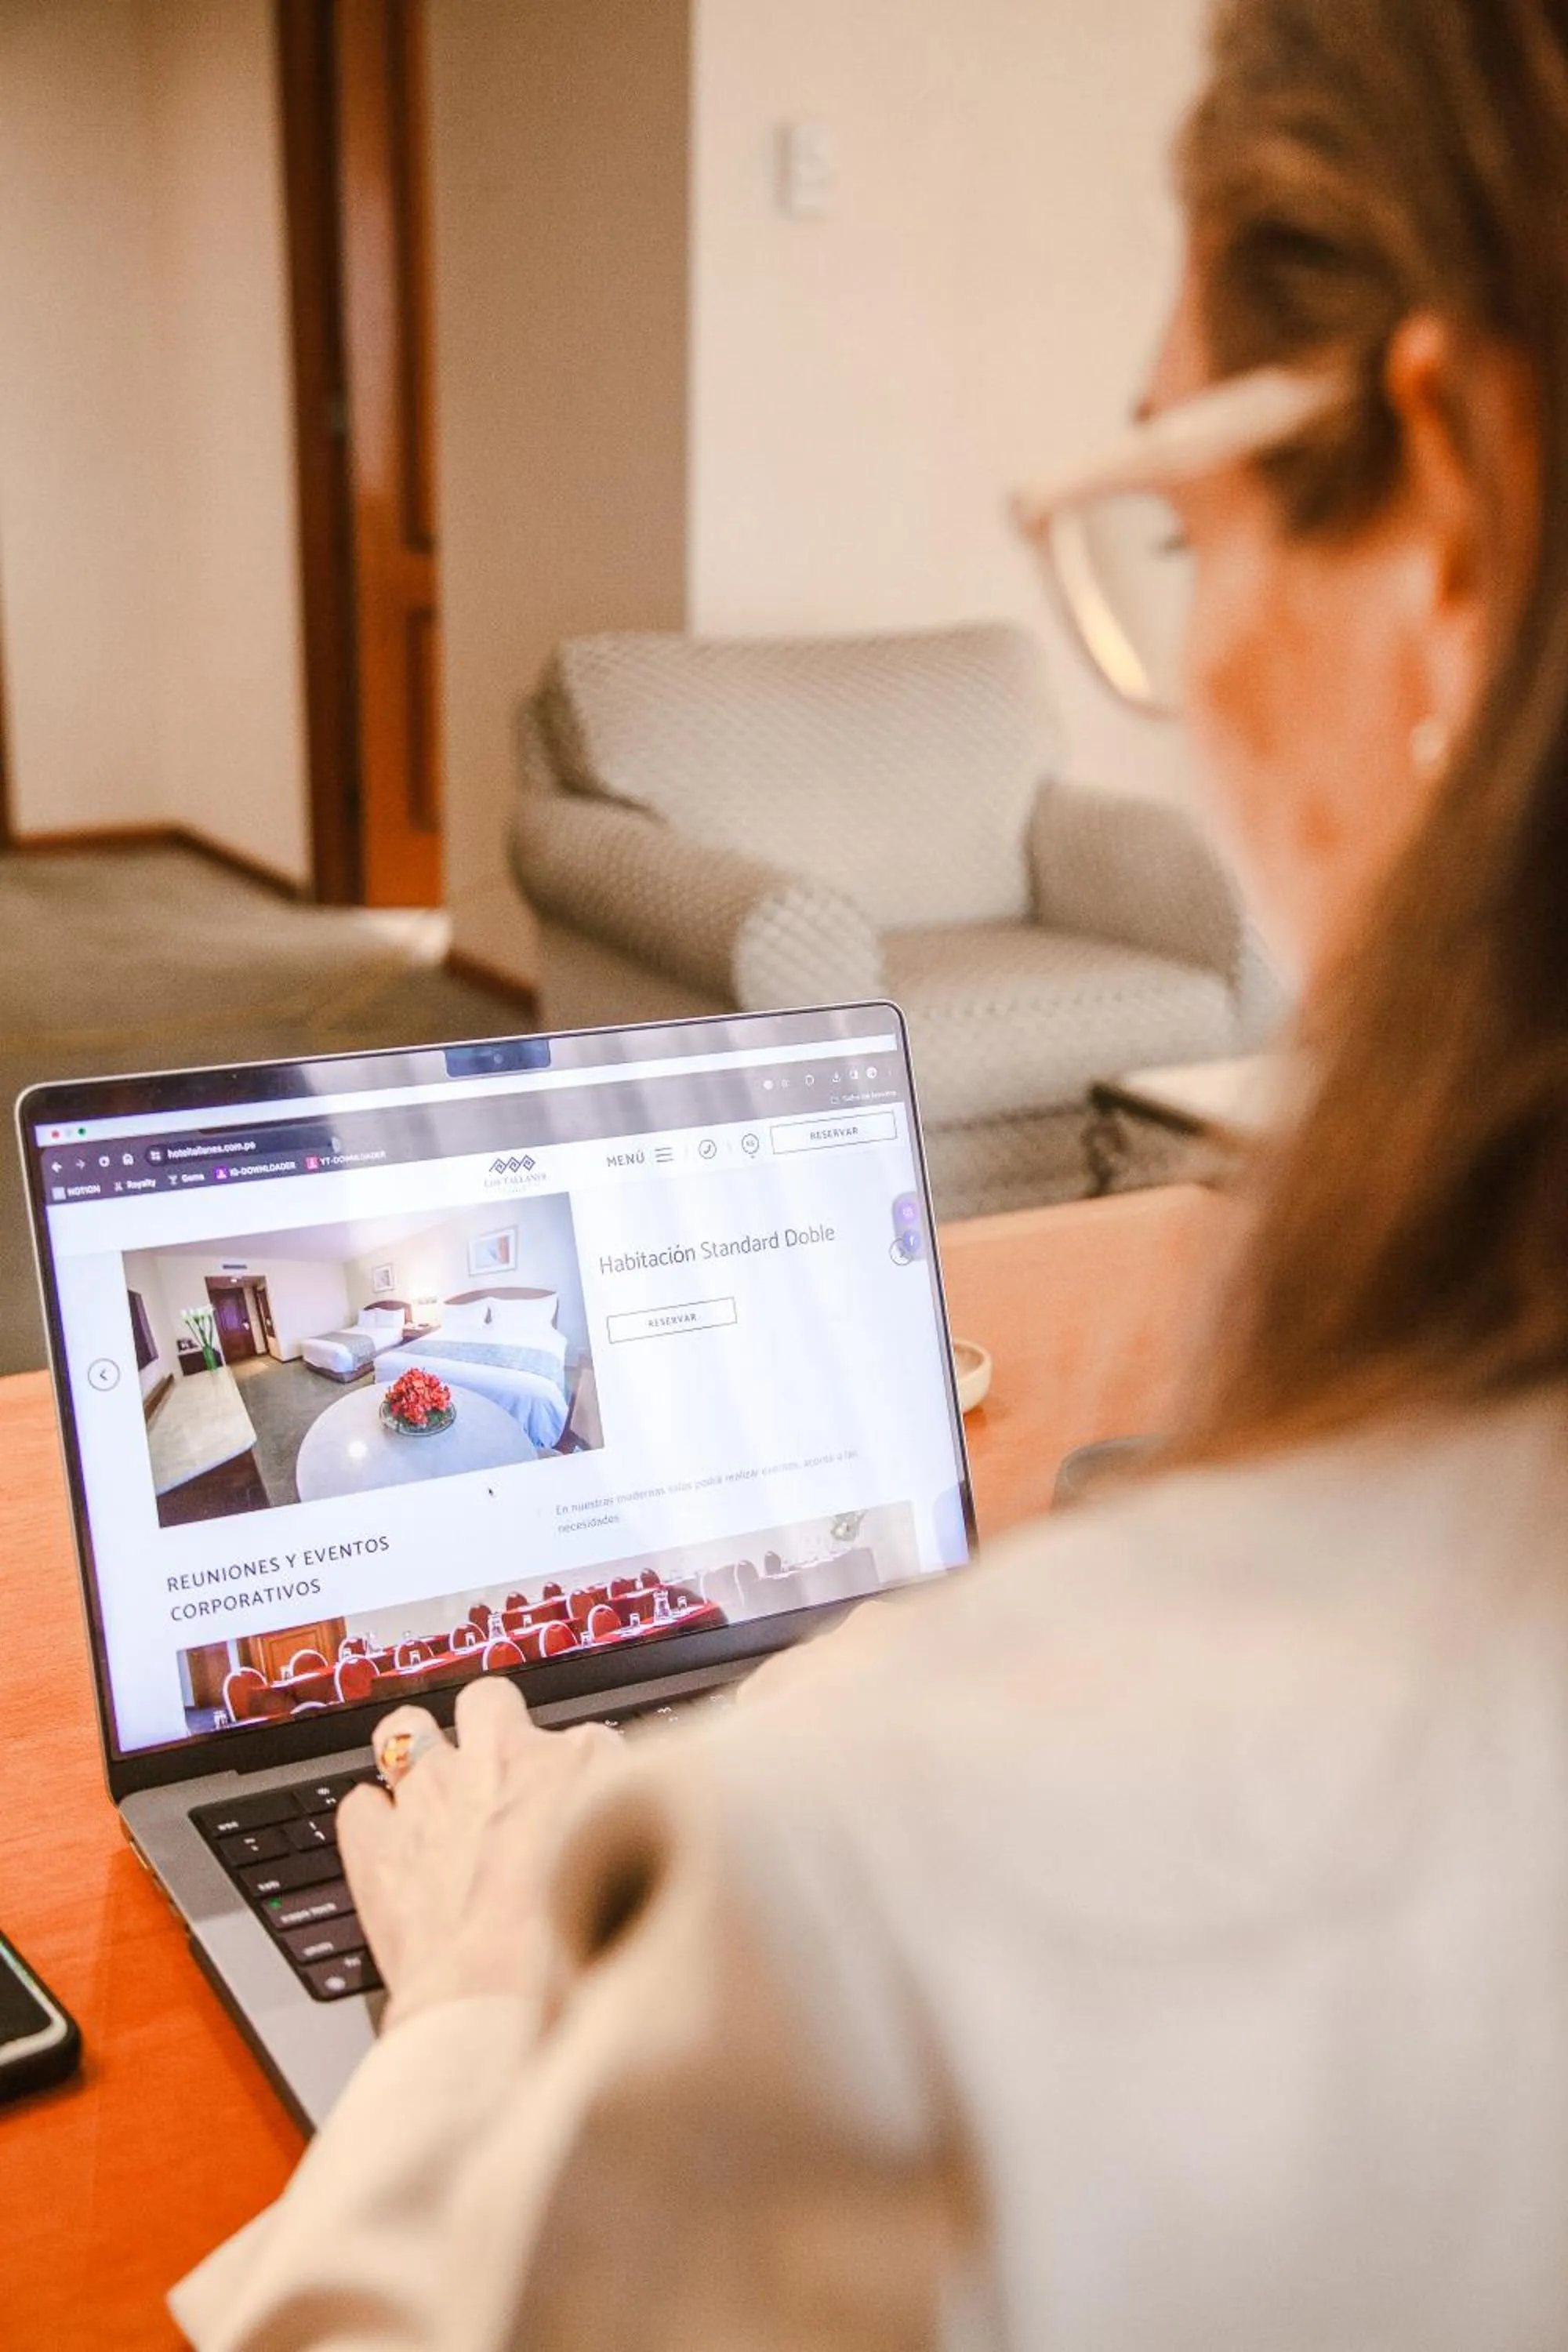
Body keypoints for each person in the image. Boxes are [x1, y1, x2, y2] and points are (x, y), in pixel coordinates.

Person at [172, 0, 1568, 2341]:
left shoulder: (870, 1893)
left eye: (1178, 516)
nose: (1185, 667)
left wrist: (478, 2008)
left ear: (1443, 509)